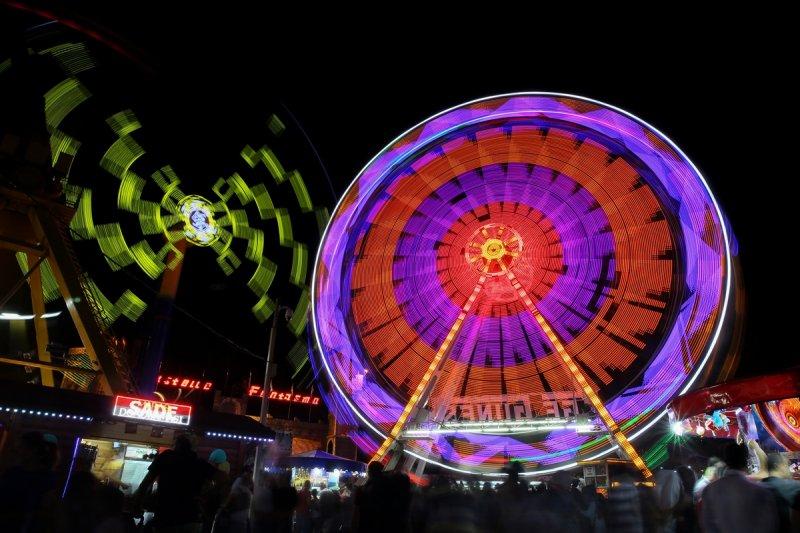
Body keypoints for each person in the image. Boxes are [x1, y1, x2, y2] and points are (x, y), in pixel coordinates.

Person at [135, 433, 215, 532]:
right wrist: (205, 497)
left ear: (177, 444)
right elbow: (223, 479)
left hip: (166, 517)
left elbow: (146, 483)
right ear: (192, 447)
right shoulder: (199, 463)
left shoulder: (166, 457)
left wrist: (137, 502)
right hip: (191, 519)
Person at [700, 442, 779, 533]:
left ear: (726, 462)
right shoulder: (761, 491)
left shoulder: (709, 490)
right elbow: (769, 526)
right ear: (746, 461)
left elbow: (708, 525)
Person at [0, 431, 60, 531]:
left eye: (22, 447)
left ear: (33, 450)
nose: (17, 450)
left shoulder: (44, 479)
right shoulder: (14, 472)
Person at [761, 453, 800, 533]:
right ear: (778, 466)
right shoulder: (791, 486)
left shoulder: (758, 486)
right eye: (786, 465)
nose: (789, 469)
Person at [605, 464, 645, 533]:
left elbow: (609, 508)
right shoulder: (631, 487)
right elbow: (636, 508)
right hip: (631, 524)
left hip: (617, 525)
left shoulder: (613, 488)